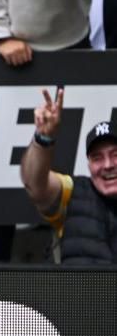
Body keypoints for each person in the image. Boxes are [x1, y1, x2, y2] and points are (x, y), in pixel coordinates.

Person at [21, 87, 117, 263]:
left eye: (115, 155)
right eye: (97, 158)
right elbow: (35, 186)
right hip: (82, 291)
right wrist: (43, 138)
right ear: (88, 165)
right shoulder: (73, 192)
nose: (108, 165)